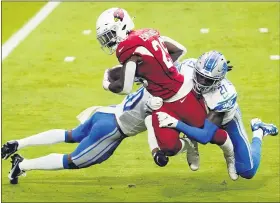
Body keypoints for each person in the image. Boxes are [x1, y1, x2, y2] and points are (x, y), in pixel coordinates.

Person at [96, 8, 234, 172]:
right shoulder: (145, 34)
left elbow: (124, 88)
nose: (108, 40)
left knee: (207, 134)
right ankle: (189, 145)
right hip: (161, 102)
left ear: (121, 25)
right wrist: (156, 71)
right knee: (168, 148)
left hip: (182, 95)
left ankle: (230, 155)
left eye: (110, 34)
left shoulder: (127, 49)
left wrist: (107, 84)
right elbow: (180, 49)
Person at [155, 51, 279, 179]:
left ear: (219, 80)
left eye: (208, 80)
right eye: (200, 76)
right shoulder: (186, 67)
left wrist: (176, 123)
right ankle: (191, 141)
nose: (202, 82)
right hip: (199, 114)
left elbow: (205, 136)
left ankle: (259, 131)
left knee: (247, 171)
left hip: (227, 121)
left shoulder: (223, 95)